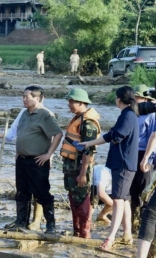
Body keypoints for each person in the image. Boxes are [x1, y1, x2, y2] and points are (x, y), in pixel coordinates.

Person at [80, 86, 139, 250]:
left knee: (118, 200)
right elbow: (109, 135)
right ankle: (127, 235)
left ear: (119, 99)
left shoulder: (127, 115)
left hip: (123, 164)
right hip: (125, 163)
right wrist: (90, 143)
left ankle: (111, 238)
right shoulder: (128, 114)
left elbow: (117, 135)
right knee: (125, 199)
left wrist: (113, 139)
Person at [5, 85, 63, 234]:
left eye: (27, 97)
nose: (23, 99)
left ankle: (50, 225)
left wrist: (48, 155)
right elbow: (20, 134)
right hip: (22, 160)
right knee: (22, 192)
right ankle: (21, 222)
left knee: (42, 193)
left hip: (37, 161)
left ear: (37, 98)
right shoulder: (24, 114)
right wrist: (19, 151)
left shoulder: (44, 115)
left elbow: (57, 134)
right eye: (23, 96)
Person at [61, 88, 101, 238]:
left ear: (81, 103)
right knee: (73, 199)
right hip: (71, 166)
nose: (69, 104)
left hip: (79, 168)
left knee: (82, 200)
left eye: (71, 101)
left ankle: (85, 234)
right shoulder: (79, 117)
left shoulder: (88, 123)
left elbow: (88, 150)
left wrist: (83, 173)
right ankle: (77, 231)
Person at [131, 84, 156, 232]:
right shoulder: (134, 113)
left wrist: (148, 158)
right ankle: (134, 224)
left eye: (138, 97)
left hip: (145, 155)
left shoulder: (153, 114)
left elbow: (153, 138)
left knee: (144, 191)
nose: (135, 100)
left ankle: (144, 223)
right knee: (133, 190)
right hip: (133, 154)